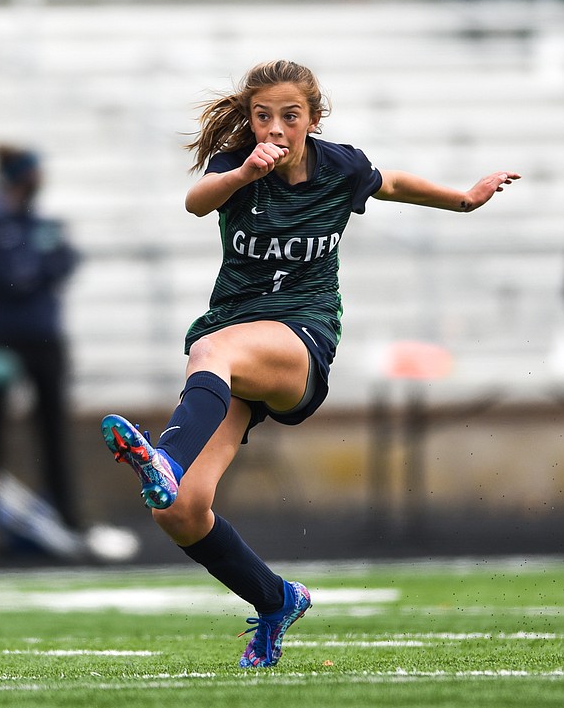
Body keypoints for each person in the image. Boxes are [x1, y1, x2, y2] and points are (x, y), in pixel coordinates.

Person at [99, 59, 520, 668]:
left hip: (302, 336)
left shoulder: (338, 166)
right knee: (182, 510)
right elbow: (195, 203)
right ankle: (277, 601)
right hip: (239, 341)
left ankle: (164, 455)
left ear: (313, 120)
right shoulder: (239, 164)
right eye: (262, 116)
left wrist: (464, 199)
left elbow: (392, 183)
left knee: (209, 353)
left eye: (289, 117)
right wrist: (243, 172)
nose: (274, 128)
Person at [0, 146, 82, 531]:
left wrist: (37, 265)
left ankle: (65, 515)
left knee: (53, 430)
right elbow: (14, 279)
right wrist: (41, 264)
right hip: (4, 338)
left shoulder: (42, 224)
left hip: (46, 338)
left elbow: (66, 262)